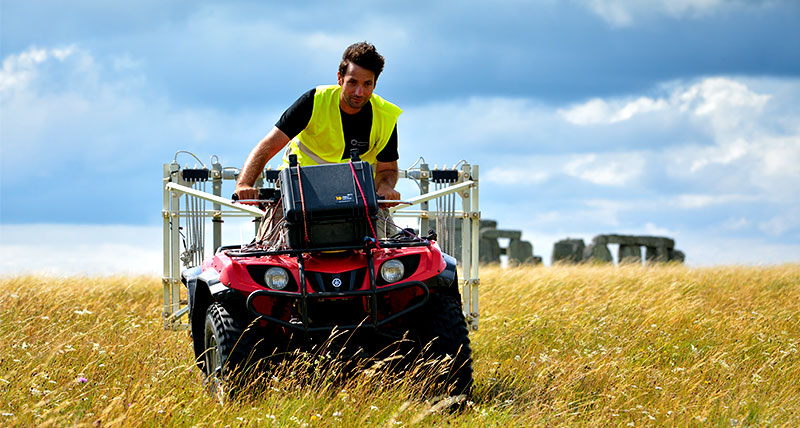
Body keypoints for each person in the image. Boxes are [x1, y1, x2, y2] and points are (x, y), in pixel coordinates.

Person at [234, 41, 402, 245]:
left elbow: (388, 170)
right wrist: (244, 184)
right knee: (266, 251)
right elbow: (268, 145)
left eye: (367, 84)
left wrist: (385, 187)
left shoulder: (386, 116)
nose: (359, 92)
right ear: (340, 79)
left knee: (393, 250)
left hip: (358, 195)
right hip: (300, 192)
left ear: (375, 84)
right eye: (352, 82)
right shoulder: (313, 101)